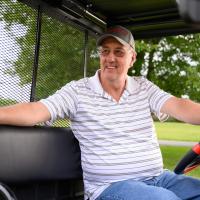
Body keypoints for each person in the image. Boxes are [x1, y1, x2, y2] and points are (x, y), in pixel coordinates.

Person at [1, 25, 200, 200]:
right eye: (105, 51)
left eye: (119, 52)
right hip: (110, 188)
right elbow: (36, 111)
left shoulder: (144, 87)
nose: (110, 58)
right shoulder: (78, 91)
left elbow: (180, 106)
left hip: (158, 178)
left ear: (132, 58)